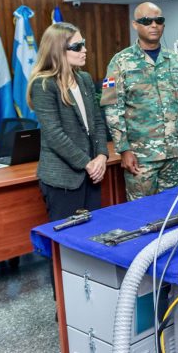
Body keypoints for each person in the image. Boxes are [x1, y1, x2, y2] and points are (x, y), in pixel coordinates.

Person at [102, 2, 178, 201]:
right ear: (135, 25)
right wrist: (124, 149)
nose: (154, 25)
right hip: (140, 156)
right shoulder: (120, 62)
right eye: (147, 21)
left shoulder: (175, 60)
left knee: (173, 207)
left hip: (174, 154)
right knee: (142, 212)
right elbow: (113, 109)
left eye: (159, 20)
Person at [27, 22, 108, 222]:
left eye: (84, 44)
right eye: (77, 46)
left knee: (93, 234)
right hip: (63, 178)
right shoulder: (43, 84)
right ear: (58, 51)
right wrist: (87, 163)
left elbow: (97, 122)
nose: (85, 50)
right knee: (68, 242)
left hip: (92, 174)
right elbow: (54, 134)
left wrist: (101, 157)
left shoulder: (85, 79)